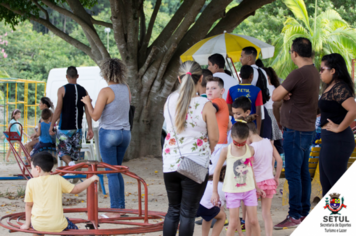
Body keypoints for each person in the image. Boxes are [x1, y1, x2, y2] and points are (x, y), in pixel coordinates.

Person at [162, 60, 219, 236]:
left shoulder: (170, 100)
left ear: (179, 79)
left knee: (173, 210)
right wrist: (205, 151)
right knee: (188, 213)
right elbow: (214, 137)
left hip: (171, 162)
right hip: (195, 164)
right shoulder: (205, 105)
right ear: (201, 78)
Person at [272, 37, 319, 229]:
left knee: (293, 174)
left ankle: (294, 214)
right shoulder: (315, 72)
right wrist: (288, 93)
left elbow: (275, 96)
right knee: (302, 173)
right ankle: (303, 212)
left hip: (296, 130)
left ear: (294, 53)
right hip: (306, 129)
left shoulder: (299, 74)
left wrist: (284, 93)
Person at [81, 58, 131, 217]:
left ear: (105, 72)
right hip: (125, 133)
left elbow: (95, 116)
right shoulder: (126, 89)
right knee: (118, 170)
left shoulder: (105, 91)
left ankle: (115, 210)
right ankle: (121, 208)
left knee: (111, 172)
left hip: (109, 133)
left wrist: (88, 102)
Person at [20, 152, 99, 234]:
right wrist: (91, 179)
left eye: (31, 168)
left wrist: (27, 224)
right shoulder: (58, 179)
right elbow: (76, 189)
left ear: (38, 169)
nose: (31, 171)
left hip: (38, 224)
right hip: (57, 224)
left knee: (37, 230)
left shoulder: (31, 183)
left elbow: (28, 205)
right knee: (74, 230)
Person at [211, 120, 263, 236]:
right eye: (236, 143)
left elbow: (250, 170)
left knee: (254, 221)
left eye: (242, 143)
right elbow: (217, 170)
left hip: (249, 190)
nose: (239, 146)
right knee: (233, 223)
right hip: (232, 191)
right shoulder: (226, 150)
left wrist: (256, 187)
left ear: (247, 138)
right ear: (231, 136)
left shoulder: (250, 150)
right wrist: (215, 192)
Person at [195, 77, 229, 235]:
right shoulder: (214, 104)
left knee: (212, 181)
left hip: (219, 146)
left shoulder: (218, 102)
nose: (209, 90)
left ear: (222, 91)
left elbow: (209, 111)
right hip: (215, 145)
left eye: (213, 88)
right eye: (207, 88)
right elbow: (228, 124)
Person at [318, 53, 356, 195]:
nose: (320, 72)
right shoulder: (330, 87)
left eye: (322, 69)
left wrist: (339, 127)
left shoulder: (339, 87)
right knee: (327, 185)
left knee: (337, 185)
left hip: (338, 140)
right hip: (330, 140)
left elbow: (353, 110)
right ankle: (330, 216)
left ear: (333, 70)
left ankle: (347, 215)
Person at [246, 115, 283, 236]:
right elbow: (279, 160)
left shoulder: (251, 148)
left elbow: (249, 167)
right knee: (266, 214)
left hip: (254, 184)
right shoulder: (268, 142)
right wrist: (276, 177)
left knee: (249, 215)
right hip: (269, 181)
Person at [49, 66, 94, 167]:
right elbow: (88, 111)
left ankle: (71, 165)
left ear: (66, 76)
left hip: (64, 127)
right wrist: (90, 128)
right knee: (74, 154)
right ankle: (72, 172)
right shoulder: (84, 90)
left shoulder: (62, 90)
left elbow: (58, 109)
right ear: (77, 76)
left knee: (63, 152)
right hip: (78, 128)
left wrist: (52, 125)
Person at [240, 47, 272, 140]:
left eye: (242, 56)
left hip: (253, 113)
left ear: (249, 58)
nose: (240, 59)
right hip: (263, 111)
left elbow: (250, 93)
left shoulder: (250, 71)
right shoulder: (262, 71)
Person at [227, 65, 262, 131]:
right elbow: (258, 113)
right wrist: (258, 131)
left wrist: (238, 116)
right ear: (251, 76)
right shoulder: (257, 90)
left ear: (240, 75)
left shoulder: (231, 90)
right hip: (251, 126)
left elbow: (228, 111)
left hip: (236, 125)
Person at [264, 67, 283, 141]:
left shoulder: (265, 88)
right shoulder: (276, 87)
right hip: (276, 114)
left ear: (267, 76)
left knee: (270, 139)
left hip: (269, 113)